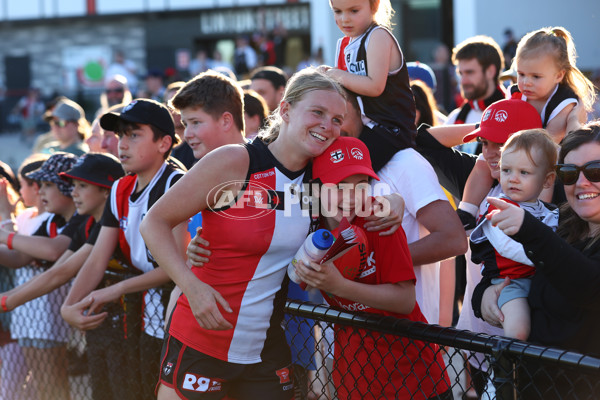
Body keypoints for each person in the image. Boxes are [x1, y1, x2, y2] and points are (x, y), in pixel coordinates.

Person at [140, 67, 348, 400]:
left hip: (266, 348)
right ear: (285, 110)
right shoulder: (237, 160)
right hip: (202, 337)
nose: (328, 125)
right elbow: (154, 222)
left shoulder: (320, 180)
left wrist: (390, 201)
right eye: (318, 112)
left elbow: (367, 204)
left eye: (338, 119)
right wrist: (190, 286)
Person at [414, 97, 570, 399]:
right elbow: (423, 140)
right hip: (479, 338)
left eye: (500, 143)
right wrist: (484, 127)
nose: (490, 152)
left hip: (533, 346)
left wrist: (531, 142)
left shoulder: (557, 187)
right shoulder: (476, 175)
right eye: (485, 143)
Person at [294, 136, 452, 399]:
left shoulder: (380, 220)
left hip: (411, 379)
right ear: (316, 187)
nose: (351, 197)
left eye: (360, 185)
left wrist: (340, 286)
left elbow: (404, 299)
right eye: (340, 185)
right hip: (353, 379)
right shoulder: (308, 227)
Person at [60, 99, 188, 400]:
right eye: (120, 136)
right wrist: (70, 305)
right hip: (141, 318)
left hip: (177, 315)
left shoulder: (177, 184)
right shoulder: (120, 188)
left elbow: (178, 266)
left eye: (134, 135)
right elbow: (97, 257)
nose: (122, 144)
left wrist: (114, 290)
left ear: (164, 143)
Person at [473, 122, 600, 399]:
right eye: (569, 173)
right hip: (533, 387)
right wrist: (484, 297)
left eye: (595, 171)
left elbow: (589, 286)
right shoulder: (561, 222)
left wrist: (530, 231)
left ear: (545, 180)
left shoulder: (543, 228)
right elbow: (500, 271)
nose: (582, 183)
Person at [0, 153, 125, 399]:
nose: (72, 192)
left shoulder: (91, 221)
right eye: (71, 185)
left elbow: (57, 259)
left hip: (126, 323)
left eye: (80, 185)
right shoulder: (83, 222)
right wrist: (7, 300)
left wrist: (5, 232)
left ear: (106, 192)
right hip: (99, 321)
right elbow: (60, 269)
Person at [459, 27, 596, 227]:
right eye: (521, 74)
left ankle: (537, 216)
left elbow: (548, 139)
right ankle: (466, 211)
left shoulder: (564, 101)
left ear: (558, 75)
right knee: (482, 160)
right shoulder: (516, 92)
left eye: (535, 77)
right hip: (516, 147)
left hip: (544, 153)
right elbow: (503, 124)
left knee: (540, 164)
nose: (526, 82)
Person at [0, 152, 86, 400]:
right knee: (42, 383)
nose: (41, 191)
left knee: (54, 384)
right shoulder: (55, 219)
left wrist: (5, 234)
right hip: (30, 310)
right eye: (40, 185)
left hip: (51, 309)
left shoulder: (77, 220)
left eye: (48, 185)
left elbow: (53, 250)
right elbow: (19, 258)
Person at [469, 129, 558, 340]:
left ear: (547, 180)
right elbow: (507, 247)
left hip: (543, 281)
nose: (513, 179)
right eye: (507, 170)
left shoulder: (551, 212)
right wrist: (548, 259)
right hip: (511, 282)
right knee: (518, 330)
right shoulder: (497, 209)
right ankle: (503, 372)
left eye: (524, 173)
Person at [324, 0, 416, 172]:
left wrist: (336, 74)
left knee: (347, 172)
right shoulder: (345, 44)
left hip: (391, 130)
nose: (345, 19)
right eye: (337, 11)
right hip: (366, 128)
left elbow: (375, 86)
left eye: (354, 11)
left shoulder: (378, 35)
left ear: (374, 6)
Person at [445, 36, 506, 130]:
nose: (463, 81)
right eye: (461, 74)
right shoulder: (454, 118)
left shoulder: (513, 113)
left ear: (490, 71)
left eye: (470, 72)